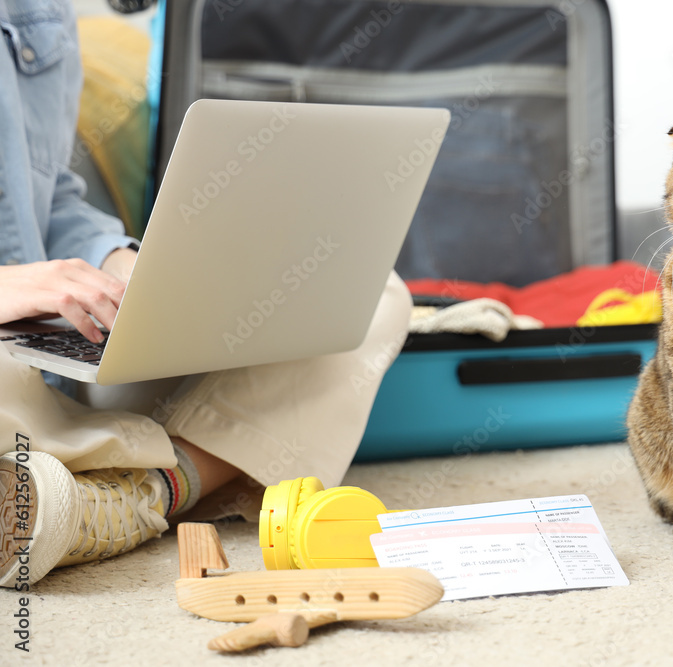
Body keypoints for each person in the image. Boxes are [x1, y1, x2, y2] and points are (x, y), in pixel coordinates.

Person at [0, 0, 410, 586]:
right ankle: (97, 477)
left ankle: (135, 496)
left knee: (365, 295)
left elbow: (54, 194)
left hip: (64, 343)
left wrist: (124, 265)